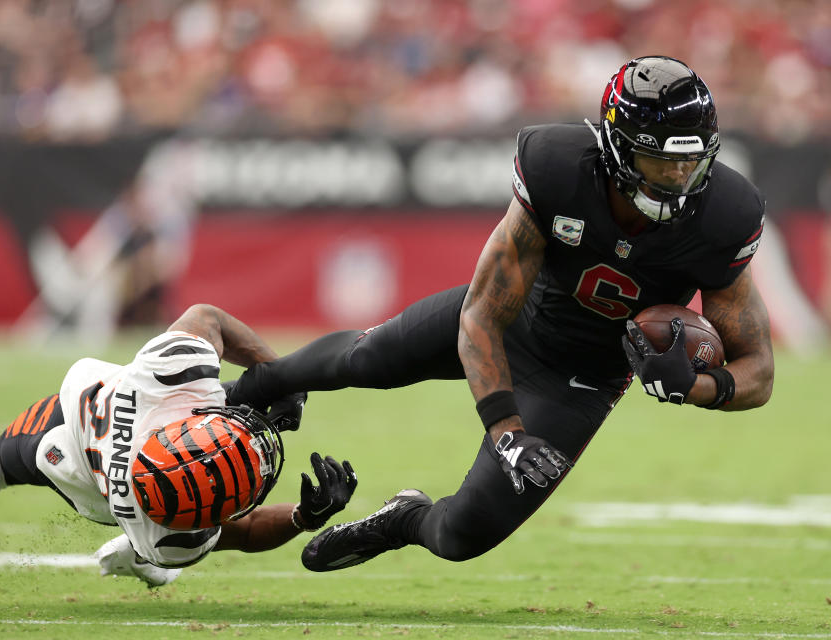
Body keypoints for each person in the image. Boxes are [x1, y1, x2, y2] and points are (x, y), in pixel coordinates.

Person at [223, 56, 775, 571]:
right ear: (616, 148)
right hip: (513, 319)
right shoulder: (559, 169)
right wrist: (506, 431)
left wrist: (694, 386)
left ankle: (405, 518)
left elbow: (760, 371)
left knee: (462, 537)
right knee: (366, 359)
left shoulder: (723, 216)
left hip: (579, 381)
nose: (678, 178)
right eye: (661, 160)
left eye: (690, 162)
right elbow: (482, 316)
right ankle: (243, 394)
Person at [0, 304, 356, 586]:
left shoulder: (166, 377)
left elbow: (206, 317)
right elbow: (245, 531)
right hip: (79, 458)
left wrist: (283, 378)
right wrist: (304, 517)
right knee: (3, 461)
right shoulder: (170, 540)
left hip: (119, 418)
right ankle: (138, 561)